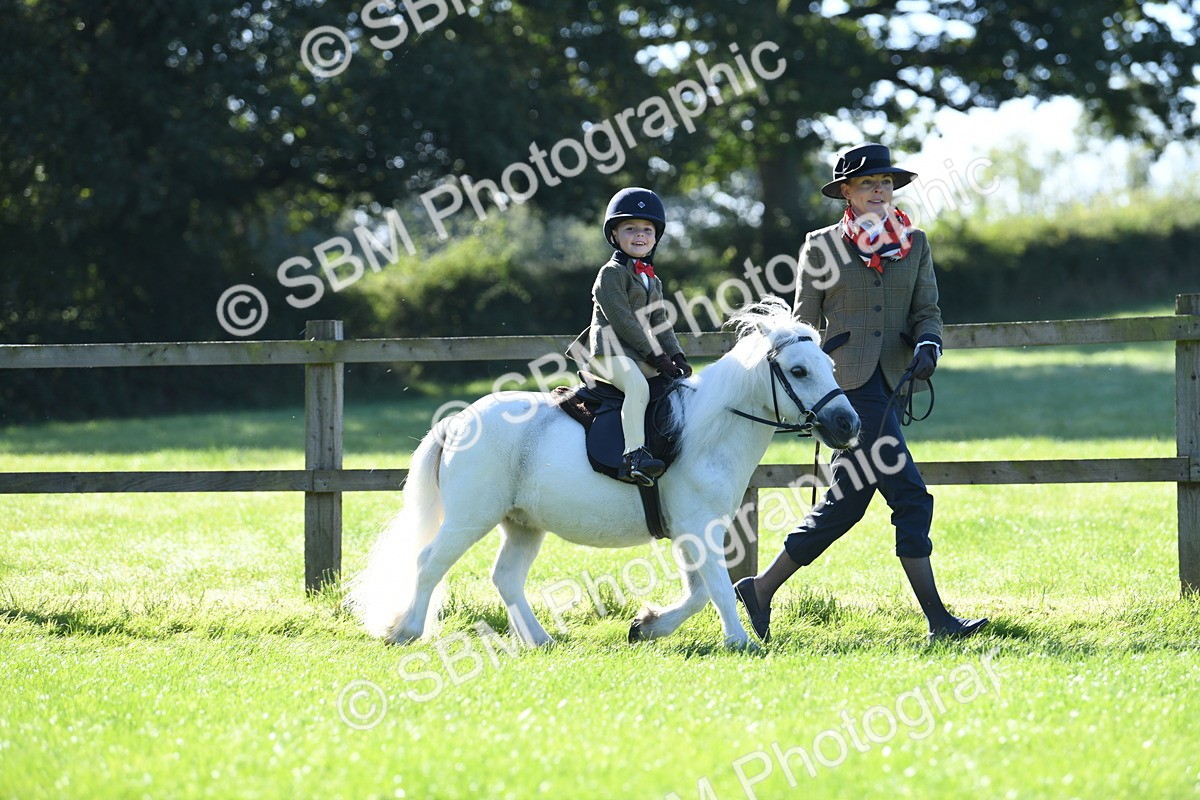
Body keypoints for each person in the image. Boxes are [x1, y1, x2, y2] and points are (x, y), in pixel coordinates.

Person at [733, 143, 988, 643]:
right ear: (846, 192)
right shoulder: (822, 245)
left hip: (893, 382)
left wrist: (930, 345)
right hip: (845, 390)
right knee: (911, 497)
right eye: (869, 184)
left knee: (847, 504)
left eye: (886, 183)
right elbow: (802, 322)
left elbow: (927, 311)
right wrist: (809, 390)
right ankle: (940, 623)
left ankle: (759, 589)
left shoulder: (915, 241)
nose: (879, 191)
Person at [570, 187, 691, 486]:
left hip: (636, 354)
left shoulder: (652, 279)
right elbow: (624, 323)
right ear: (614, 235)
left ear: (656, 236)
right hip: (607, 353)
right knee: (637, 387)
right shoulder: (610, 274)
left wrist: (677, 357)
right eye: (630, 229)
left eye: (647, 230)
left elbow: (661, 322)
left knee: (679, 387)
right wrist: (656, 356)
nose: (640, 235)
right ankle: (634, 455)